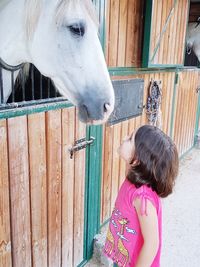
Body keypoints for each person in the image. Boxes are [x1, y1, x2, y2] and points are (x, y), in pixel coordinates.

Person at [103, 125, 179, 267]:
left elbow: (152, 243)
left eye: (130, 139)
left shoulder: (142, 198)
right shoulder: (132, 178)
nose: (125, 138)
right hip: (124, 257)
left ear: (138, 159)